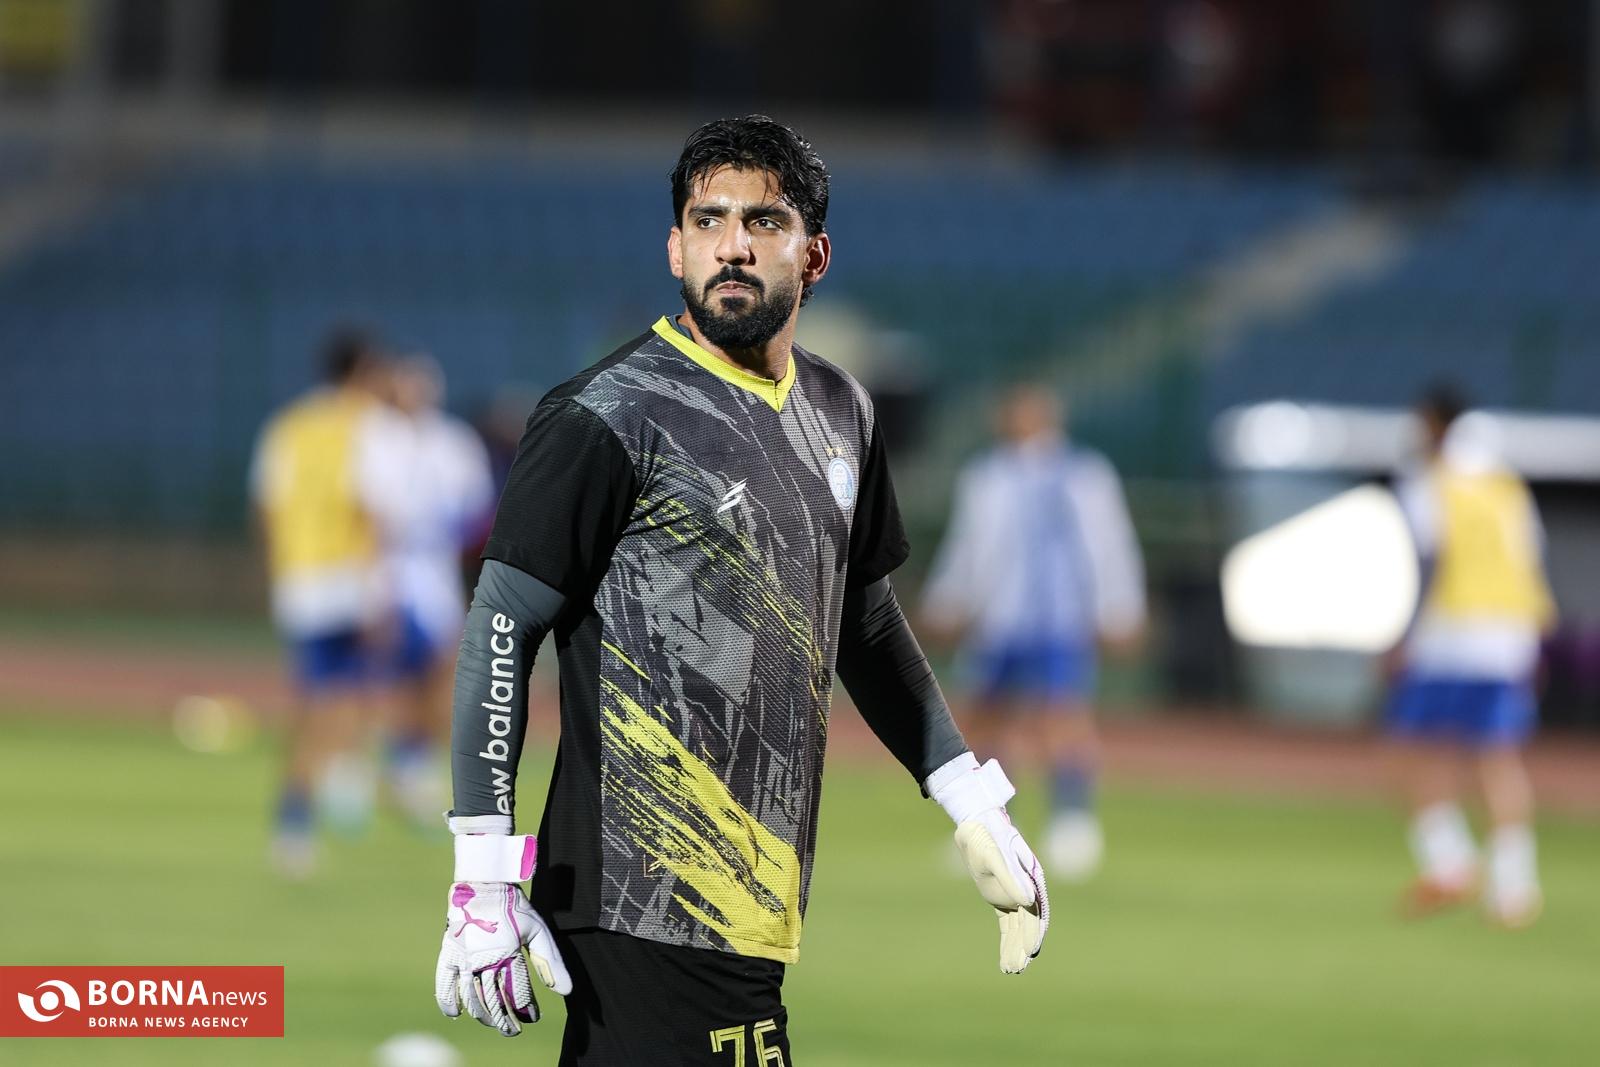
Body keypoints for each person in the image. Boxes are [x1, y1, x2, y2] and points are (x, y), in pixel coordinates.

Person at [431, 115, 1049, 1063]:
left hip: (756, 899)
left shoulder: (843, 411)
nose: (732, 244)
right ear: (676, 248)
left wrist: (970, 795)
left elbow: (863, 622)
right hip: (643, 891)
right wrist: (482, 868)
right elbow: (502, 624)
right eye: (708, 219)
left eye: (763, 221)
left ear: (814, 254)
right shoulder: (608, 413)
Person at [920, 384, 1146, 882]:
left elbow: (1109, 545)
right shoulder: (987, 476)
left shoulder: (1083, 475)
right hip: (1000, 620)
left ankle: (1073, 823)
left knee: (1061, 717)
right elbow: (967, 547)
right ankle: (992, 828)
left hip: (1059, 619)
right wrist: (948, 601)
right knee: (985, 722)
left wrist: (1119, 608)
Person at [1386, 385, 1554, 928]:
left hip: (1449, 633)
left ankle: (1450, 862)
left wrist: (1401, 633)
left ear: (1435, 425)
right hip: (1508, 634)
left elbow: (1427, 559)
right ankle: (1514, 886)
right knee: (1496, 756)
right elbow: (1531, 558)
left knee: (1419, 750)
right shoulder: (1506, 485)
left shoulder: (1430, 481)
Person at [248, 327, 393, 877]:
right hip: (348, 579)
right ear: (362, 371)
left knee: (321, 697)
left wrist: (279, 573)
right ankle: (310, 803)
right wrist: (379, 587)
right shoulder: (368, 426)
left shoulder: (289, 424)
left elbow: (266, 505)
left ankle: (324, 791)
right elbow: (372, 509)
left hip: (300, 581)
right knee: (342, 696)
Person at [364, 354, 497, 826]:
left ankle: (412, 763)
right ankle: (356, 767)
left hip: (434, 569)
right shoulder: (373, 437)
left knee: (443, 668)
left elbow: (478, 506)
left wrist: (454, 534)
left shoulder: (452, 441)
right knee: (381, 668)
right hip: (384, 567)